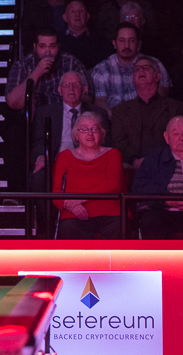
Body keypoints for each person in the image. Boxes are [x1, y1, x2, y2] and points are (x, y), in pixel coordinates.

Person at [30, 72, 108, 192]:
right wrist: (42, 157)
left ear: (84, 89)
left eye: (75, 85)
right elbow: (38, 143)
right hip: (54, 161)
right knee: (39, 177)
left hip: (85, 161)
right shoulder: (44, 112)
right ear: (60, 90)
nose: (71, 89)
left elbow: (105, 143)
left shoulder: (99, 113)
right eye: (66, 85)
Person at [52, 112, 124, 240]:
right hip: (74, 214)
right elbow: (56, 192)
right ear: (76, 135)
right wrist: (72, 205)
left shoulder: (113, 154)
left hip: (110, 213)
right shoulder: (64, 157)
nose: (90, 134)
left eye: (94, 129)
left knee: (119, 227)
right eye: (84, 129)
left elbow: (113, 184)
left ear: (101, 134)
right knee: (68, 228)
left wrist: (79, 199)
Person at [110, 56, 183, 169]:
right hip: (133, 167)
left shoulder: (175, 108)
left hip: (168, 165)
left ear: (157, 77)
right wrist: (134, 160)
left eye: (146, 68)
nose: (141, 70)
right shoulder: (120, 111)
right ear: (133, 79)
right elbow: (119, 142)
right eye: (137, 69)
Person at [91, 23, 171, 111]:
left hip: (150, 115)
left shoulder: (155, 64)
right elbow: (100, 101)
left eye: (132, 40)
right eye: (122, 41)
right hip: (115, 117)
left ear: (138, 44)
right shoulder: (102, 69)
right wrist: (114, 117)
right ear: (114, 44)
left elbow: (163, 94)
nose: (127, 45)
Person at [5, 28, 91, 110]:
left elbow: (89, 97)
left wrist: (70, 92)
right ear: (35, 47)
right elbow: (13, 103)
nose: (48, 52)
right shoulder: (22, 66)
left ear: (58, 46)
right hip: (34, 117)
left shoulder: (72, 63)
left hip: (65, 116)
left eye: (52, 46)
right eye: (42, 46)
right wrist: (36, 73)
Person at [59, 0, 112, 69]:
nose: (77, 14)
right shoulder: (58, 40)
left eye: (81, 11)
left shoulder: (100, 40)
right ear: (65, 17)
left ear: (87, 16)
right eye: (73, 11)